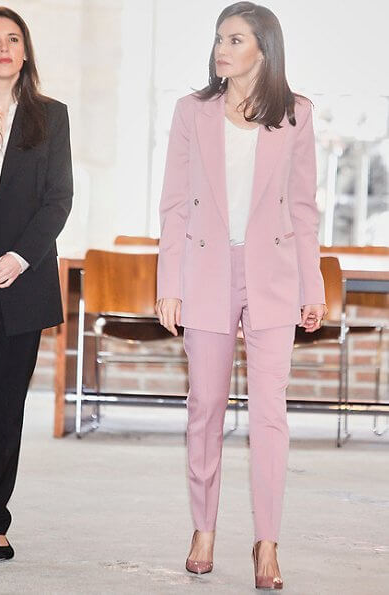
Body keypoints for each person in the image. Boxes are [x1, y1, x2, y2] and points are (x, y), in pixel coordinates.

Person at [156, 1, 327, 590]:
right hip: (206, 271)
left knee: (269, 413)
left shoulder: (296, 114)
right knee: (204, 406)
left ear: (263, 49)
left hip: (274, 274)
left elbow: (303, 207)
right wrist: (169, 285)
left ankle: (267, 542)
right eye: (218, 39)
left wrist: (312, 286)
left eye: (235, 40)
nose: (221, 50)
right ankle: (203, 528)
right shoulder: (191, 111)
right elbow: (174, 204)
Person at [0, 7, 72, 560]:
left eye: (13, 38)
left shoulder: (51, 116)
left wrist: (18, 258)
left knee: (9, 403)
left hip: (25, 276)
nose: (3, 47)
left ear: (25, 50)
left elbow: (59, 199)